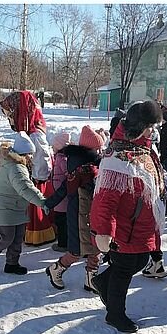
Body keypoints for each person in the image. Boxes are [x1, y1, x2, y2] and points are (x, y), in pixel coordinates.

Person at [89, 101, 167, 333]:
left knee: (140, 261)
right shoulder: (117, 157)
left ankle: (103, 281)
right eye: (149, 127)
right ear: (138, 127)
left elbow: (156, 175)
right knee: (124, 269)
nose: (153, 132)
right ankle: (114, 315)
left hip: (142, 222)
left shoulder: (143, 149)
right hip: (125, 226)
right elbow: (104, 200)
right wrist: (104, 231)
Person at [45, 125, 105, 292]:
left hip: (91, 212)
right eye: (98, 148)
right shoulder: (86, 169)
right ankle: (56, 269)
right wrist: (48, 204)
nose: (100, 151)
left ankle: (90, 279)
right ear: (91, 149)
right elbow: (66, 188)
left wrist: (49, 203)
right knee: (77, 250)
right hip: (79, 214)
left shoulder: (85, 166)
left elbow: (64, 189)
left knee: (96, 246)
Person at [0, 134, 47, 275]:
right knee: (7, 237)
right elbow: (25, 188)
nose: (31, 157)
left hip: (15, 206)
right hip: (3, 208)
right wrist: (42, 202)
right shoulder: (16, 168)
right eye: (30, 154)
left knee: (17, 237)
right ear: (23, 154)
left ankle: (12, 263)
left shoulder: (17, 164)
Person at [0, 90, 54, 244]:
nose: (9, 118)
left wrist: (36, 178)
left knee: (35, 210)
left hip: (35, 179)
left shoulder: (35, 135)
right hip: (27, 176)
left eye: (11, 113)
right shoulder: (27, 131)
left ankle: (38, 235)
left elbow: (43, 160)